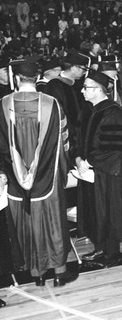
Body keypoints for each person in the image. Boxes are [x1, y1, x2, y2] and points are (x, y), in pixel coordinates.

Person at [0, 58, 77, 286]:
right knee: (52, 221)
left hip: (14, 179)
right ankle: (59, 272)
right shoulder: (51, 104)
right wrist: (60, 170)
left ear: (16, 78)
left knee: (27, 221)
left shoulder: (2, 104)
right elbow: (64, 143)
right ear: (36, 78)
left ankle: (37, 274)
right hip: (48, 177)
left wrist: (6, 171)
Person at [76, 70, 122, 267]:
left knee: (108, 211)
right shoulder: (88, 109)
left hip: (108, 172)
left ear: (99, 90)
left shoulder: (113, 111)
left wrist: (88, 161)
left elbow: (113, 146)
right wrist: (78, 158)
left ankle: (111, 252)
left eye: (86, 88)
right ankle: (99, 247)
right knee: (94, 210)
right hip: (89, 170)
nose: (82, 91)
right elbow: (78, 139)